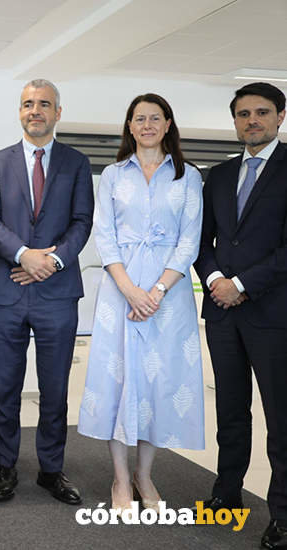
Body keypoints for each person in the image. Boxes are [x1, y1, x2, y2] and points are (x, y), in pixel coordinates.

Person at [77, 93, 204, 511]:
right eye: (138, 119)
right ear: (129, 127)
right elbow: (104, 234)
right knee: (120, 382)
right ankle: (118, 480)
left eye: (155, 118)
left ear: (168, 124)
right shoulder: (114, 175)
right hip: (120, 289)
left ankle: (144, 476)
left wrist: (157, 291)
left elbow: (190, 239)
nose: (147, 125)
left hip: (169, 293)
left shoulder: (188, 177)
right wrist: (131, 290)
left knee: (158, 382)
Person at [0, 79, 93, 505]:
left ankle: (51, 469)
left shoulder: (77, 163)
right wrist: (25, 255)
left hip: (58, 292)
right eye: (28, 104)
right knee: (6, 387)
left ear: (57, 112)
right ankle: (4, 467)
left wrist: (53, 261)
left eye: (44, 104)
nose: (35, 111)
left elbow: (82, 221)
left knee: (55, 388)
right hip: (8, 289)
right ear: (20, 111)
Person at [194, 82, 287, 549]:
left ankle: (284, 517)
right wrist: (215, 282)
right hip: (223, 314)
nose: (252, 120)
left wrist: (242, 285)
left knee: (281, 419)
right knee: (231, 411)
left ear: (280, 117)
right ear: (234, 120)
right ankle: (226, 494)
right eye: (244, 114)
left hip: (274, 314)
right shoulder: (219, 176)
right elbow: (202, 243)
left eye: (262, 113)